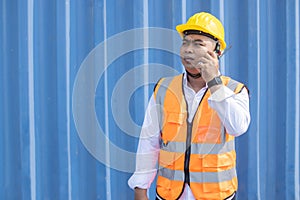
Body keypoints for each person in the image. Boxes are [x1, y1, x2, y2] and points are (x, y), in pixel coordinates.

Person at [128, 12, 251, 200]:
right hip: (170, 194)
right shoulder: (164, 89)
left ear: (217, 51)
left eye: (198, 43)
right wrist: (140, 188)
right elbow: (149, 142)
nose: (188, 49)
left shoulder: (234, 90)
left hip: (216, 195)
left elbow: (238, 127)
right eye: (185, 42)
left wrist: (214, 83)